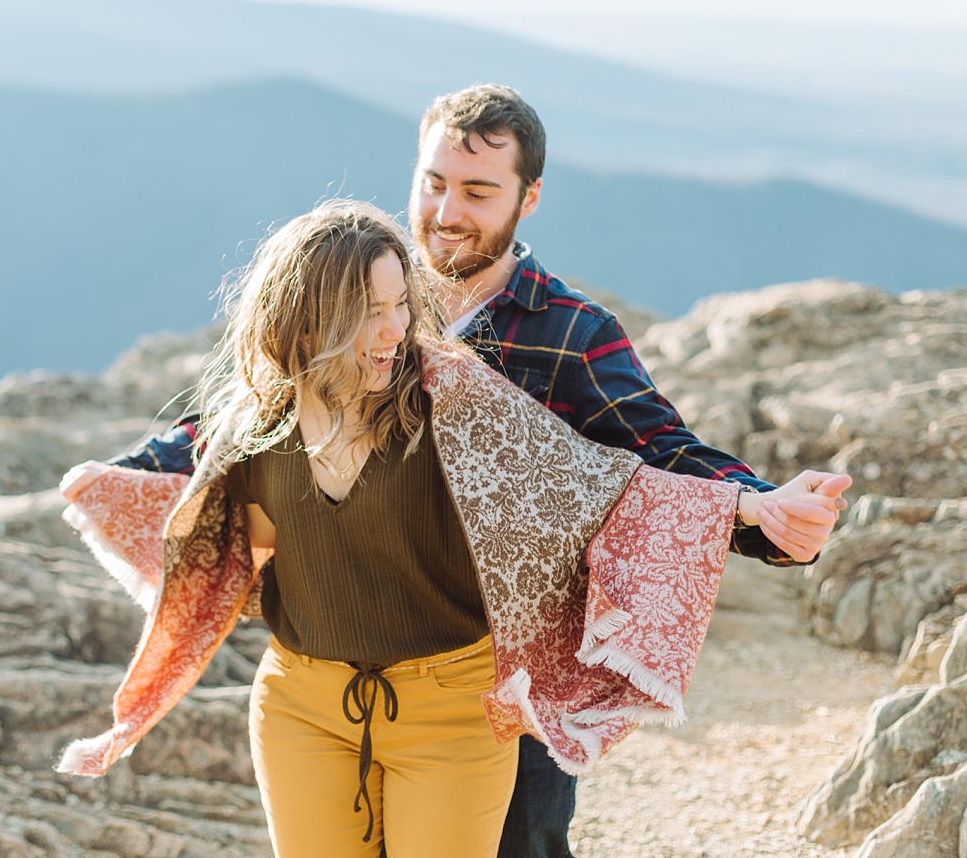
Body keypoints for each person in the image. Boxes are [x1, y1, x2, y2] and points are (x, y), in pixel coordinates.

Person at [107, 85, 851, 858]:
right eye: (433, 184)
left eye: (478, 191)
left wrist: (763, 512)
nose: (447, 211)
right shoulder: (358, 291)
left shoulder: (569, 333)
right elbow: (246, 419)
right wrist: (128, 476)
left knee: (526, 845)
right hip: (336, 670)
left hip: (505, 666)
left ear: (528, 199)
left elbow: (655, 453)